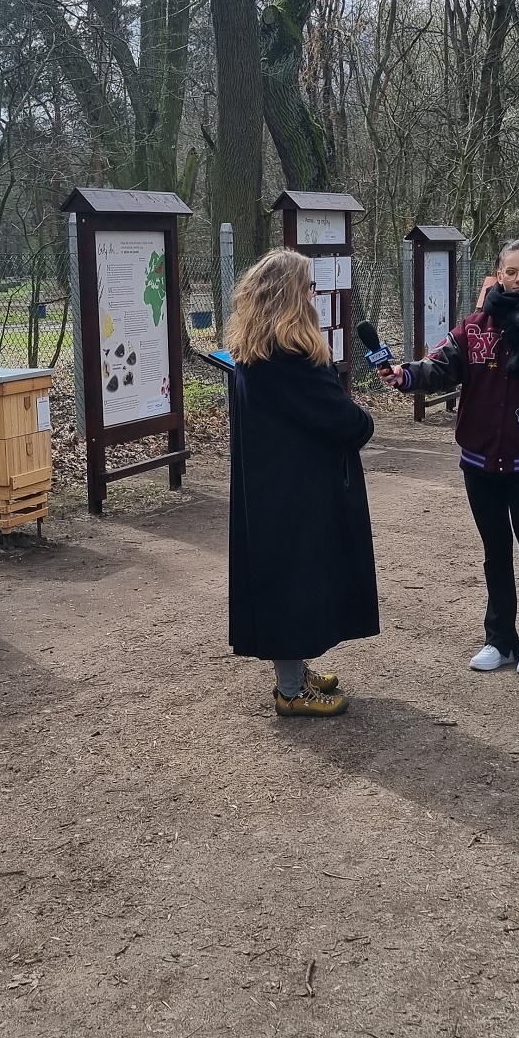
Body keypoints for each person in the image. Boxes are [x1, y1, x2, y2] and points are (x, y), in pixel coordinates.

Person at [390, 238, 519, 676]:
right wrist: (404, 375)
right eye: (510, 272)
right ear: (497, 275)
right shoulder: (474, 327)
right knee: (495, 550)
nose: (518, 280)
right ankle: (499, 638)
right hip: (479, 463)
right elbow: (439, 366)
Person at [226, 249, 379, 718]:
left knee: (285, 576)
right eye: (309, 289)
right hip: (295, 489)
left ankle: (293, 672)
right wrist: (363, 418)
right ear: (295, 297)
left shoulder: (252, 350)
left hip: (271, 484)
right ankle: (291, 690)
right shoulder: (290, 355)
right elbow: (344, 420)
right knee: (293, 580)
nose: (315, 297)